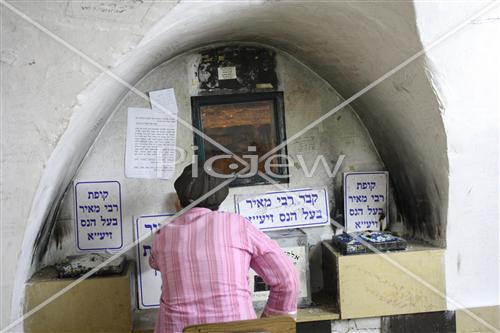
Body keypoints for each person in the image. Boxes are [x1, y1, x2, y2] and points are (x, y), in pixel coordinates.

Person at [149, 164, 299, 333]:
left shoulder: (164, 233)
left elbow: (154, 262)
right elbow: (288, 279)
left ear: (179, 203)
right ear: (219, 201)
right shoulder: (238, 225)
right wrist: (269, 321)